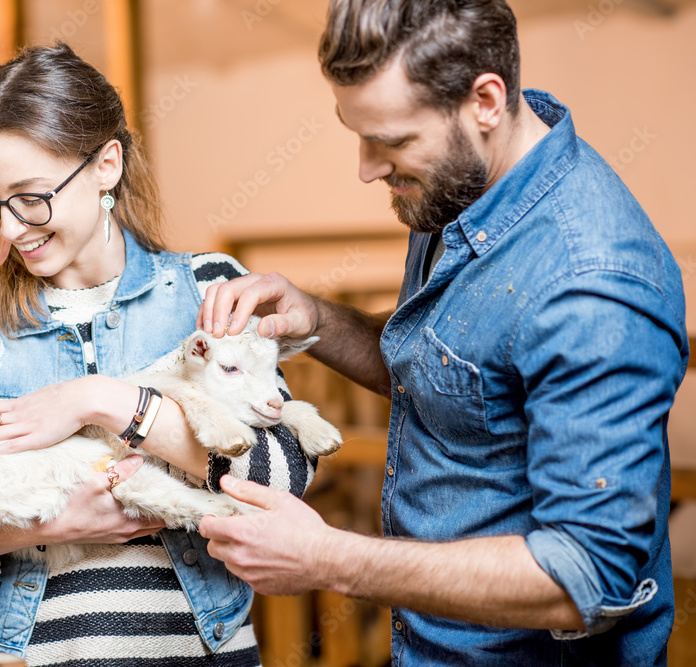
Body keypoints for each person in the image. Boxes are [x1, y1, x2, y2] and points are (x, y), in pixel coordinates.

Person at [197, 1, 689, 665]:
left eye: (394, 142)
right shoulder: (461, 186)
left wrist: (330, 559)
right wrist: (317, 318)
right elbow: (452, 379)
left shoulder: (593, 282)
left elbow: (588, 575)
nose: (368, 169)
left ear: (485, 100)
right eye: (357, 133)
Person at [0, 43, 320, 666]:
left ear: (106, 165)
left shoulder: (210, 291)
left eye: (30, 197)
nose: (10, 228)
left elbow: (283, 478)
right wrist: (47, 526)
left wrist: (103, 402)